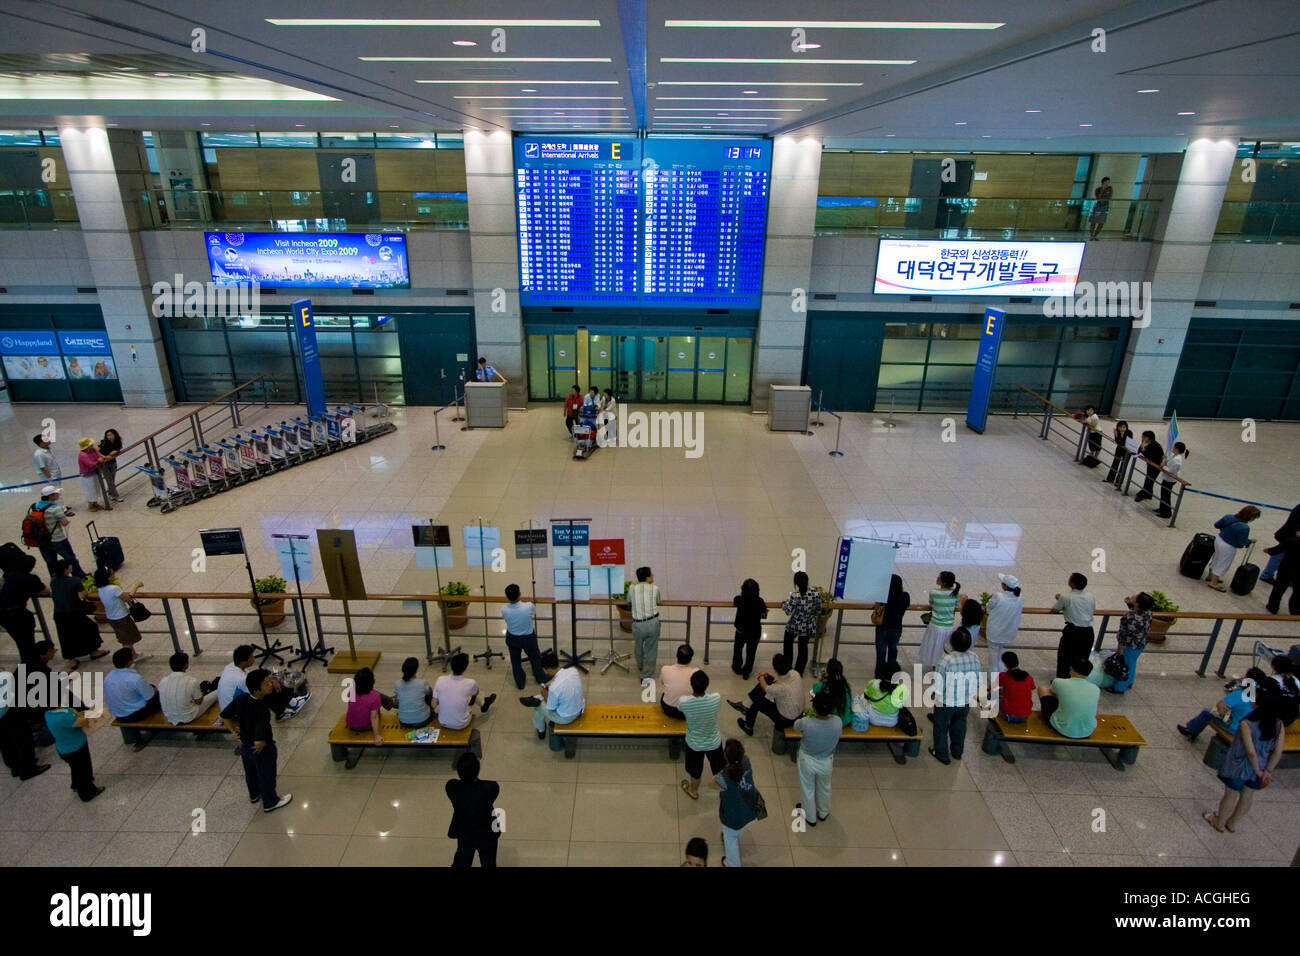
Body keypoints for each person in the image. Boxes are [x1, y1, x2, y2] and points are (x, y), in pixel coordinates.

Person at [1205, 683, 1286, 832]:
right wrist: (1267, 770)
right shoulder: (1279, 725)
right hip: (1262, 766)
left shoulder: (1247, 724)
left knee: (1231, 794)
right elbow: (1278, 751)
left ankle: (1219, 822)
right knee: (1248, 796)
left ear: (1259, 705)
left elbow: (1250, 751)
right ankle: (1232, 823)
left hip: (1239, 765)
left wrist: (1256, 769)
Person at [221, 668, 292, 813]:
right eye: (266, 684)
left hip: (245, 746)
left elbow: (225, 715)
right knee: (266, 774)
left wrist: (233, 732)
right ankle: (271, 801)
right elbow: (260, 737)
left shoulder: (241, 699)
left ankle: (254, 795)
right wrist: (261, 744)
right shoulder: (262, 710)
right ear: (256, 690)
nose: (270, 685)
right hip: (261, 748)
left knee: (251, 773)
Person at [929, 626, 980, 765]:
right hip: (965, 701)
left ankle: (941, 753)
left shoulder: (946, 660)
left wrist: (935, 695)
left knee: (941, 726)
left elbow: (940, 683)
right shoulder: (974, 657)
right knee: (959, 725)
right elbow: (976, 679)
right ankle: (957, 752)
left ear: (952, 643)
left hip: (946, 701)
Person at [217, 645, 309, 721]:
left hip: (230, 706)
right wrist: (271, 682)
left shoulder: (231, 666)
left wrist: (272, 679)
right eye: (252, 657)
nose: (254, 658)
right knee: (266, 689)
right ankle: (282, 712)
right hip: (235, 714)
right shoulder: (240, 679)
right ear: (244, 661)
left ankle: (291, 701)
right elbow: (256, 691)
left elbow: (255, 676)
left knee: (268, 683)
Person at [1178, 667, 1267, 741]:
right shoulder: (1261, 696)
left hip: (1236, 729)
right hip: (1251, 730)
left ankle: (1191, 731)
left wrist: (1228, 714)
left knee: (1207, 712)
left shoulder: (1239, 694)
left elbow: (1219, 707)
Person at [708, 738, 758, 868]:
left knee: (731, 842)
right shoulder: (746, 761)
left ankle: (731, 863)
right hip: (748, 808)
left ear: (725, 756)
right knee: (737, 830)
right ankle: (734, 834)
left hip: (732, 816)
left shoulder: (723, 777)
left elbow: (711, 784)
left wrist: (722, 771)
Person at [793, 690, 842, 823]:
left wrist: (804, 717)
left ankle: (809, 816)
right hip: (827, 760)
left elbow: (796, 727)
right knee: (825, 787)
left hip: (807, 760)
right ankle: (823, 812)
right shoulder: (837, 722)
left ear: (814, 707)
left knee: (807, 788)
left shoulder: (807, 722)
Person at [445, 751, 500, 867]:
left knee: (463, 857)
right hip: (487, 830)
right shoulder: (490, 788)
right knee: (489, 860)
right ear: (477, 770)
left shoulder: (452, 787)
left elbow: (454, 783)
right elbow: (492, 786)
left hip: (464, 830)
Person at [519, 649, 585, 743]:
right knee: (543, 698)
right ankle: (536, 698)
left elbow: (551, 708)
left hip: (566, 717)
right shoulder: (573, 671)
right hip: (579, 707)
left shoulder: (554, 688)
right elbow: (564, 684)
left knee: (539, 707)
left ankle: (541, 729)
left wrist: (546, 696)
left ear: (548, 668)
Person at [49, 559, 105, 669]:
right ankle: (93, 651)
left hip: (59, 613)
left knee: (65, 636)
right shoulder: (74, 581)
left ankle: (71, 659)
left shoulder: (53, 581)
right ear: (66, 569)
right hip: (74, 612)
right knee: (90, 627)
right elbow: (82, 595)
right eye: (69, 566)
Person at [678, 669, 725, 800]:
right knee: (719, 769)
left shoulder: (684, 702)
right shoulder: (716, 698)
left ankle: (693, 791)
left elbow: (680, 708)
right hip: (714, 742)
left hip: (694, 744)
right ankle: (724, 790)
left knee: (695, 772)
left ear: (691, 685)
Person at [731, 652, 803, 737]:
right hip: (798, 712)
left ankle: (748, 723)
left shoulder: (780, 688)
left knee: (756, 700)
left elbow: (766, 688)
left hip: (787, 720)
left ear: (776, 669)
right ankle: (745, 707)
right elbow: (780, 678)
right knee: (767, 680)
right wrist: (768, 674)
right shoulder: (795, 674)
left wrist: (761, 677)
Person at [104, 647, 160, 751]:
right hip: (133, 714)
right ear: (129, 662)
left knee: (148, 689)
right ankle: (157, 726)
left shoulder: (108, 677)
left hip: (118, 712)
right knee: (158, 696)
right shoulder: (135, 679)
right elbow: (150, 696)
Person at [45, 704, 104, 801]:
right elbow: (83, 721)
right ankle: (87, 793)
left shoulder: (48, 714)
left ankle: (76, 784)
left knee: (76, 768)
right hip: (76, 748)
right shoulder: (63, 717)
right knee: (83, 770)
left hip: (64, 748)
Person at [0, 551, 47, 667]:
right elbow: (45, 591)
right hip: (18, 615)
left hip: (3, 614)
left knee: (21, 643)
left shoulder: (10, 575)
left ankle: (28, 664)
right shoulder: (31, 578)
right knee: (27, 643)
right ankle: (31, 666)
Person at [0, 675, 49, 781]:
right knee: (23, 739)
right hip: (7, 711)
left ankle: (16, 767)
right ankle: (28, 769)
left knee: (6, 742)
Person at [1039, 658, 1101, 739]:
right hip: (1087, 731)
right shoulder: (1096, 688)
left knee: (1042, 689)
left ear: (1071, 669)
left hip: (1062, 728)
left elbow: (1052, 693)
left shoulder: (1059, 682)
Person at [432, 653, 495, 732]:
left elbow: (433, 704)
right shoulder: (470, 682)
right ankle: (483, 704)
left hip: (442, 721)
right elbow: (476, 693)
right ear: (465, 668)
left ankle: (484, 704)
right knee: (474, 693)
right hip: (461, 724)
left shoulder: (440, 679)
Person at [33, 487, 86, 578]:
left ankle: (55, 578)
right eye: (56, 493)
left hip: (42, 540)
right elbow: (64, 523)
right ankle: (80, 576)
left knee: (50, 562)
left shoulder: (36, 506)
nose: (58, 495)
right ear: (51, 496)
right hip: (57, 539)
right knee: (70, 558)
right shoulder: (55, 508)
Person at [1050, 572, 1095, 679]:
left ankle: (1062, 680)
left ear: (1073, 584)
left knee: (1064, 657)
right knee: (1082, 657)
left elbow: (1055, 609)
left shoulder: (1066, 597)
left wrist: (1060, 598)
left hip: (1073, 631)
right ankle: (1078, 679)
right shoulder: (1090, 596)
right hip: (1088, 632)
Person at [501, 583, 547, 689]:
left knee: (515, 661)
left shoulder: (504, 609)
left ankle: (520, 683)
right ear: (520, 594)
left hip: (512, 638)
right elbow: (532, 614)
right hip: (528, 637)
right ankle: (541, 678)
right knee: (535, 658)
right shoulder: (528, 606)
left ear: (507, 597)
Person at [93, 568, 146, 659]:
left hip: (112, 617)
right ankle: (128, 660)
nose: (114, 575)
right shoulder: (114, 589)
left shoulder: (100, 589)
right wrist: (136, 586)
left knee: (125, 638)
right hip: (122, 617)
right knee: (127, 641)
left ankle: (134, 656)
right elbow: (128, 598)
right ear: (108, 577)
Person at [1107, 592, 1154, 694]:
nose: (1133, 595)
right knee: (1132, 663)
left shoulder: (1130, 618)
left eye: (1135, 597)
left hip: (1129, 646)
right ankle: (1129, 681)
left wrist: (1120, 650)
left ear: (1137, 604)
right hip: (1140, 643)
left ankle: (1120, 687)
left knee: (1124, 665)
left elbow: (1125, 635)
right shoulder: (1148, 612)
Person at [158, 651, 220, 726]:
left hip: (170, 717)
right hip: (189, 716)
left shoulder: (162, 681)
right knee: (217, 692)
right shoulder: (191, 681)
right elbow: (199, 702)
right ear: (186, 665)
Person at [1207, 506, 1259, 592]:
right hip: (1228, 547)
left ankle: (1210, 576)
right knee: (1223, 564)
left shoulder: (1229, 517)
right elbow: (1241, 543)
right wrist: (1250, 541)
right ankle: (1214, 582)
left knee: (1216, 558)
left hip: (1219, 539)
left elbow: (1216, 525)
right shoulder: (1244, 527)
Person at [780, 571, 822, 677]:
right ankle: (799, 672)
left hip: (794, 626)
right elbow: (818, 611)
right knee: (803, 648)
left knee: (788, 645)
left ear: (796, 583)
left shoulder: (795, 596)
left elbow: (788, 611)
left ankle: (787, 668)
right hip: (808, 626)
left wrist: (783, 603)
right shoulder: (816, 594)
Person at [919, 571, 961, 672]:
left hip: (935, 625)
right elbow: (957, 605)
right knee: (945, 648)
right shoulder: (955, 593)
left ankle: (935, 667)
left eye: (939, 577)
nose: (937, 578)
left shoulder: (934, 592)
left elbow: (931, 603)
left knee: (934, 648)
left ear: (944, 582)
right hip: (949, 626)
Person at [346, 667, 395, 747]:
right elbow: (374, 718)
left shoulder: (351, 691)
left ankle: (391, 701)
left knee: (377, 698)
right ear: (372, 682)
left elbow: (353, 705)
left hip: (351, 724)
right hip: (365, 726)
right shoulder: (375, 696)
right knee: (379, 697)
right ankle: (392, 702)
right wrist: (377, 736)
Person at [627, 566, 661, 681]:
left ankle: (640, 665)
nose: (653, 576)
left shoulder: (632, 588)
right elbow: (658, 601)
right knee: (651, 650)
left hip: (638, 624)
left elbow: (629, 602)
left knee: (638, 646)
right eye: (651, 575)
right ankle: (646, 675)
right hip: (652, 622)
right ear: (647, 577)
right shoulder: (655, 589)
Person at [985, 573, 1023, 674]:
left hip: (995, 631)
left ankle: (994, 680)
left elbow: (989, 607)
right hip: (1008, 631)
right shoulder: (1020, 597)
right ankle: (1001, 673)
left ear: (1005, 586)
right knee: (1000, 652)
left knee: (993, 655)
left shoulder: (998, 596)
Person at [873, 573, 909, 679]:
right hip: (896, 628)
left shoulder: (883, 596)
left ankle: (879, 675)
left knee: (881, 654)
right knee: (893, 651)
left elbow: (877, 607)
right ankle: (892, 675)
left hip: (882, 628)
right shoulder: (905, 596)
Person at [731, 578, 767, 680]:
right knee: (751, 652)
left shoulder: (739, 599)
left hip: (741, 631)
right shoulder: (759, 601)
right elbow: (764, 611)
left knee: (738, 649)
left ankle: (736, 667)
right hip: (754, 631)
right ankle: (747, 671)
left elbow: (735, 601)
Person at [855, 661, 908, 729]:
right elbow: (901, 705)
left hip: (874, 719)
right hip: (892, 722)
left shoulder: (874, 683)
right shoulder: (902, 688)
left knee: (862, 696)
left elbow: (866, 696)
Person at [1260, 503, 1300, 585]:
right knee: (1279, 555)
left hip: (1289, 536)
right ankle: (1266, 575)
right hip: (1289, 537)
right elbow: (1295, 525)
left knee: (1284, 556)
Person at [659, 644, 698, 720]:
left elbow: (662, 682)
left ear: (676, 656)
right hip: (689, 712)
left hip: (668, 709)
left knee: (664, 694)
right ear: (690, 659)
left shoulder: (665, 669)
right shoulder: (696, 672)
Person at [810, 657, 852, 727]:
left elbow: (814, 690)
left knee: (816, 699)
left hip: (831, 722)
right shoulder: (845, 685)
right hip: (844, 720)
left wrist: (820, 679)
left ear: (828, 672)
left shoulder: (823, 686)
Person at [395, 656, 434, 728]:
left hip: (403, 721)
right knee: (429, 691)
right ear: (416, 670)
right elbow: (430, 694)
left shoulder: (397, 684)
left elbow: (397, 700)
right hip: (421, 720)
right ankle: (430, 709)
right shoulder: (422, 683)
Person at [997, 652, 1036, 723]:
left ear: (1005, 664)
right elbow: (1030, 690)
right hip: (1025, 715)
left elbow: (993, 688)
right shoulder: (1028, 677)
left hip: (1009, 715)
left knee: (993, 698)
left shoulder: (1004, 676)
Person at [1156, 441, 1187, 519]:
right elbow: (1167, 461)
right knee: (1163, 494)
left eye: (1174, 448)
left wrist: (1163, 466)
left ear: (1177, 449)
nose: (1173, 449)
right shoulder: (1174, 455)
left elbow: (1171, 471)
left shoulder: (1177, 460)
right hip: (1166, 478)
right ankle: (1162, 508)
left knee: (1166, 496)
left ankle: (1166, 513)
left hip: (1169, 480)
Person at [76, 438, 108, 512]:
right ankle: (90, 505)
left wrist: (101, 458)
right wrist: (98, 461)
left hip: (95, 473)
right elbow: (90, 464)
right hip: (87, 475)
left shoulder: (93, 449)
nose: (92, 445)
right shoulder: (82, 455)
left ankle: (95, 503)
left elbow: (99, 455)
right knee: (90, 490)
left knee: (96, 488)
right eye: (90, 445)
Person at [1132, 430, 1164, 504]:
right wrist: (1142, 447)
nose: (1142, 438)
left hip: (1155, 466)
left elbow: (1149, 455)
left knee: (1149, 480)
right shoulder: (1146, 443)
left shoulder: (1155, 446)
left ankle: (1144, 494)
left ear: (1149, 438)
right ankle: (1148, 494)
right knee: (1148, 479)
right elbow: (1139, 450)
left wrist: (1143, 448)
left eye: (1144, 437)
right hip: (1150, 464)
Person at [98, 428, 125, 503]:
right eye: (107, 435)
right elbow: (97, 451)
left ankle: (110, 493)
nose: (109, 437)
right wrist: (104, 457)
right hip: (104, 464)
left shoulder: (117, 443)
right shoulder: (103, 442)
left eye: (110, 435)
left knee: (112, 479)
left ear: (114, 435)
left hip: (112, 463)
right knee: (109, 480)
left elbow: (113, 453)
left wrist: (112, 453)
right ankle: (116, 495)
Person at [1105, 420, 1133, 485]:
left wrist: (1123, 435)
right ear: (1118, 427)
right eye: (1120, 427)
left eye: (1124, 427)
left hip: (1127, 452)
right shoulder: (1116, 431)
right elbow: (1117, 441)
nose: (1122, 429)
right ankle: (1110, 479)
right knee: (1115, 463)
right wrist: (1121, 435)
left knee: (1123, 466)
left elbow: (1128, 443)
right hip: (1119, 449)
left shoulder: (1129, 433)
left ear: (1126, 427)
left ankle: (1119, 482)